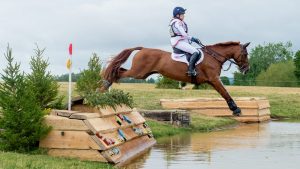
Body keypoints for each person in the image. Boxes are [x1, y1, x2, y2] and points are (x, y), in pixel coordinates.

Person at [169, 6, 202, 76]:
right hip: (178, 42)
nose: (184, 16)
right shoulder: (177, 22)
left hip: (181, 41)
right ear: (177, 15)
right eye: (182, 14)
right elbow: (183, 34)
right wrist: (192, 38)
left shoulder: (177, 21)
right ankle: (190, 70)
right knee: (195, 52)